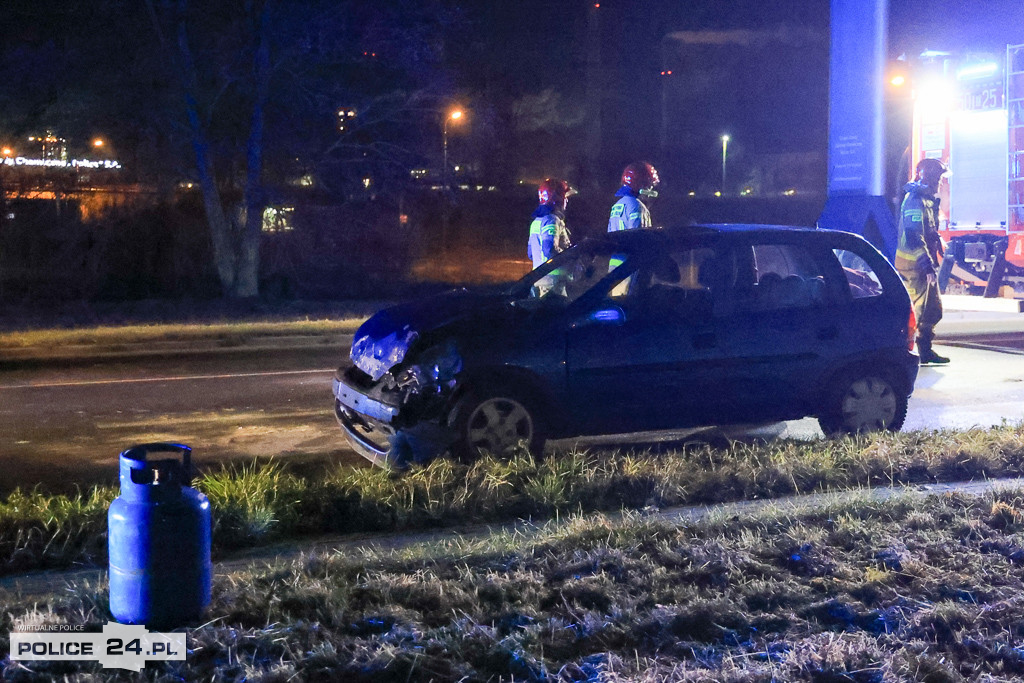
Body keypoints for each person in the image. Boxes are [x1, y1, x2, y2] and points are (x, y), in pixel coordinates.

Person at [895, 157, 949, 365]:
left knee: (932, 309)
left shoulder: (926, 199)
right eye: (939, 178)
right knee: (919, 312)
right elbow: (913, 235)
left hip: (921, 264)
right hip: (913, 266)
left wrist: (937, 239)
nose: (940, 183)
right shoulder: (915, 200)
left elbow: (926, 231)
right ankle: (908, 352)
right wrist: (926, 265)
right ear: (930, 177)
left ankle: (925, 351)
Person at [527, 178, 575, 269]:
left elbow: (531, 254)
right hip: (556, 281)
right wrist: (570, 257)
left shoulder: (536, 222)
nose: (567, 200)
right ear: (557, 198)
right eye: (565, 197)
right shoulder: (552, 220)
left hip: (538, 279)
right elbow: (549, 250)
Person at [608, 161, 659, 232]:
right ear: (642, 185)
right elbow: (639, 237)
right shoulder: (638, 207)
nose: (651, 191)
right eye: (650, 186)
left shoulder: (616, 206)